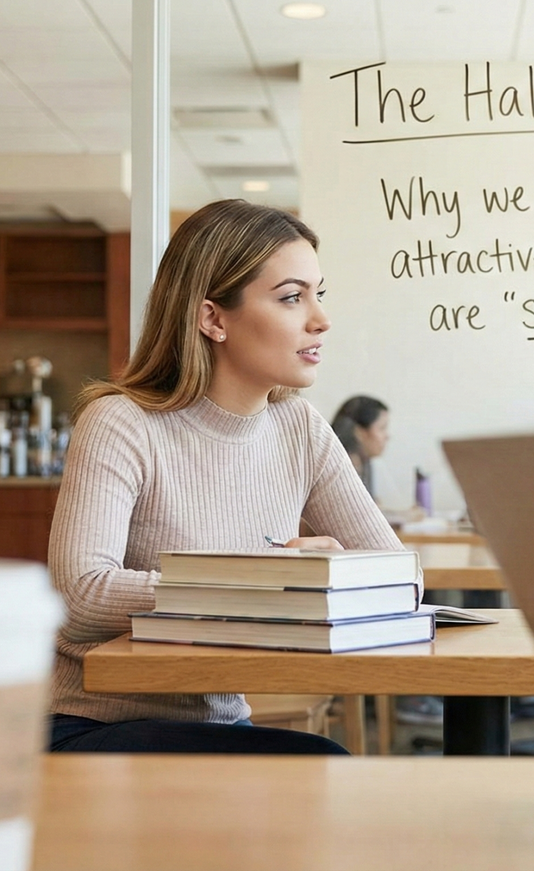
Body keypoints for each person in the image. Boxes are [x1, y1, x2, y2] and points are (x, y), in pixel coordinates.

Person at [48, 199, 402, 755]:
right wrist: (262, 581)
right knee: (327, 767)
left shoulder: (299, 428)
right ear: (213, 318)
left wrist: (319, 576)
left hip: (221, 721)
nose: (320, 319)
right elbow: (80, 596)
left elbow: (397, 578)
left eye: (318, 294)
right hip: (96, 724)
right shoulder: (122, 421)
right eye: (291, 297)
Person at [330, 395, 389, 497]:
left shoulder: (365, 463)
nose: (387, 436)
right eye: (382, 428)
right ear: (359, 432)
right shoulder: (338, 470)